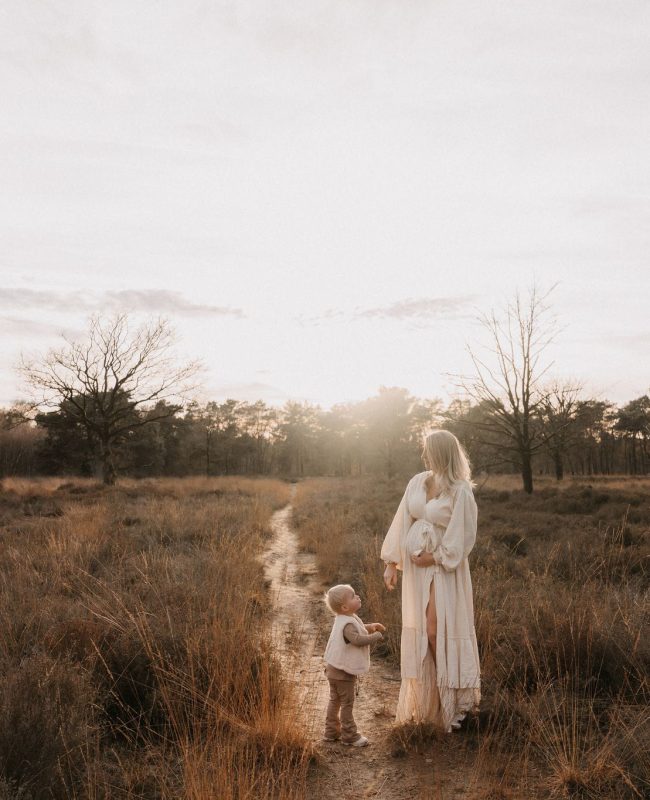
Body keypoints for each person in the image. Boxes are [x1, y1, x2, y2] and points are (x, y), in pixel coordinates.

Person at [381, 429, 480, 732]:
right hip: (415, 570)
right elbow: (403, 519)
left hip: (442, 567)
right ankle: (428, 701)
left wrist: (434, 557)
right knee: (422, 629)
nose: (425, 455)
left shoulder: (460, 490)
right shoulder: (417, 481)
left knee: (435, 630)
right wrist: (391, 563)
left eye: (429, 450)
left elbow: (463, 534)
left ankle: (451, 697)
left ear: (442, 453)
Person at [322, 584, 386, 746]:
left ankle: (331, 732)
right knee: (347, 703)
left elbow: (356, 631)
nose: (357, 597)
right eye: (353, 596)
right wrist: (375, 636)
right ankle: (349, 735)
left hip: (333, 668)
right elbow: (356, 639)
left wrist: (370, 627)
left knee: (334, 700)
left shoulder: (345, 619)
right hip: (343, 673)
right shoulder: (348, 623)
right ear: (344, 606)